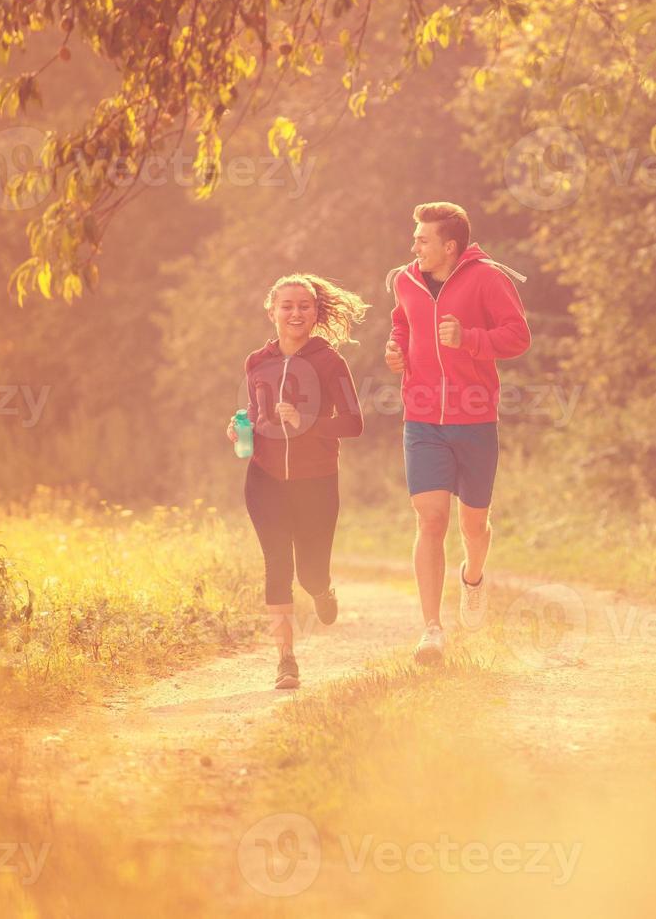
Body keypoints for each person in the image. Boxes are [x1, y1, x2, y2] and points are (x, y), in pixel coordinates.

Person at [383, 202, 531, 664]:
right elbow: (402, 323)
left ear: (449, 246)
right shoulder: (405, 281)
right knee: (430, 519)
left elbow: (518, 336)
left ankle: (473, 576)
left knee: (473, 525)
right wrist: (396, 352)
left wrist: (469, 338)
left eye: (423, 240)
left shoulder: (488, 278)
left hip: (474, 419)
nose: (414, 247)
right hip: (423, 418)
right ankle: (431, 629)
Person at [227, 274, 367, 689]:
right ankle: (286, 660)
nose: (295, 313)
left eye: (304, 306)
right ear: (271, 311)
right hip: (265, 478)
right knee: (277, 565)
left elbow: (354, 423)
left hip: (316, 481)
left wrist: (307, 423)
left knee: (310, 572)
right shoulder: (256, 361)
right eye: (286, 305)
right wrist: (241, 427)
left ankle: (322, 591)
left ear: (315, 312)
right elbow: (255, 410)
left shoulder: (330, 362)